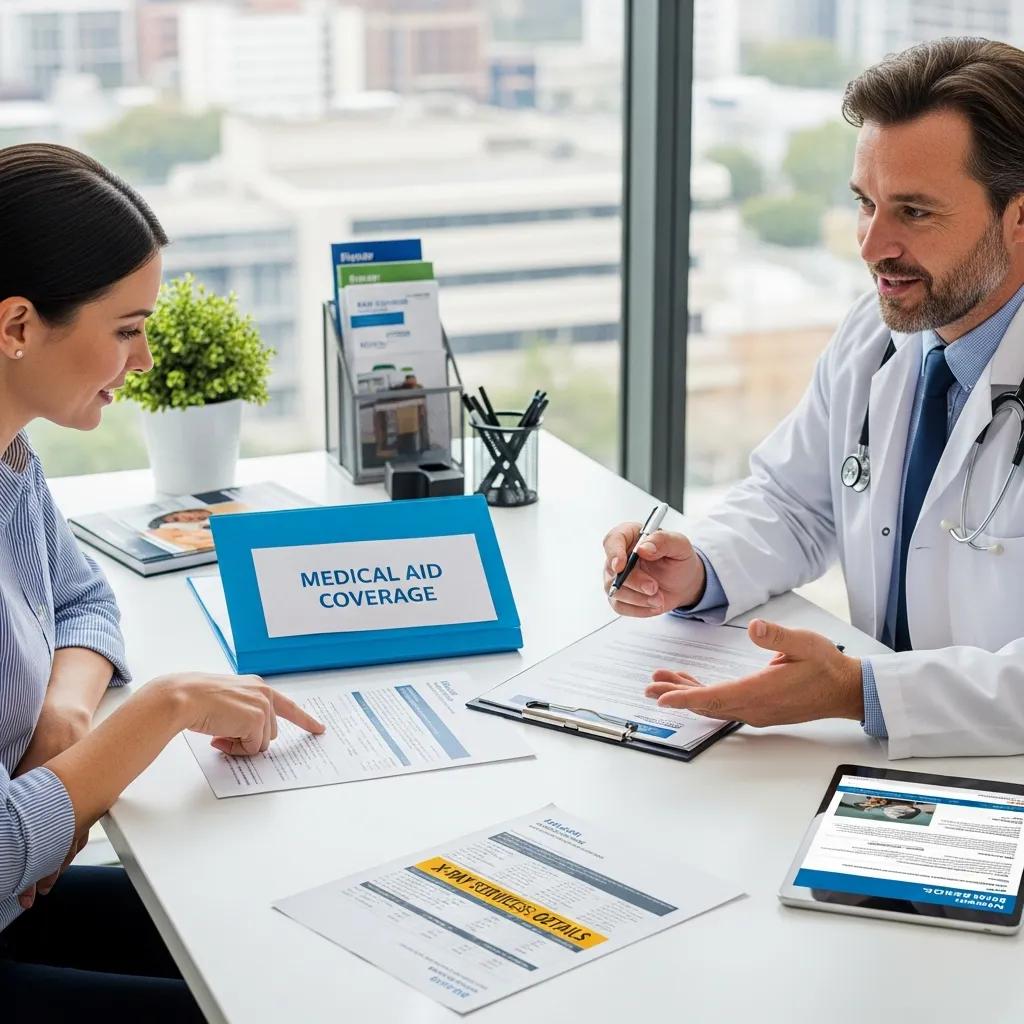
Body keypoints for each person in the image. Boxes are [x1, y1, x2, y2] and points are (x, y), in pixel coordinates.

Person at [602, 37, 1024, 760]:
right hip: (877, 762)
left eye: (915, 213)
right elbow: (795, 501)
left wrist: (855, 689)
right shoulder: (881, 333)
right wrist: (698, 564)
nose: (870, 245)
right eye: (865, 203)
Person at [0, 143, 326, 1020]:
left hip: (18, 901)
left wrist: (63, 727)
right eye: (126, 329)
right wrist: (166, 708)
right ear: (18, 326)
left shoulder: (11, 462)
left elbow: (85, 602)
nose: (142, 363)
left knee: (293, 947)